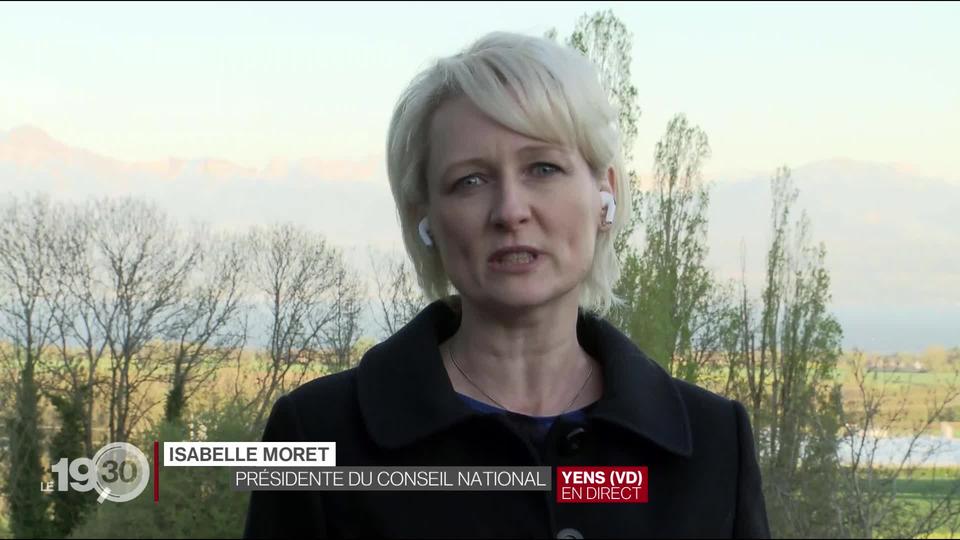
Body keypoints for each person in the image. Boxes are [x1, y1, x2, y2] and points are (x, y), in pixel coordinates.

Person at [244, 31, 770, 539]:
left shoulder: (714, 443)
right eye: (470, 180)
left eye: (543, 167)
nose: (511, 210)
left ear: (604, 194)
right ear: (426, 218)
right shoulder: (315, 435)